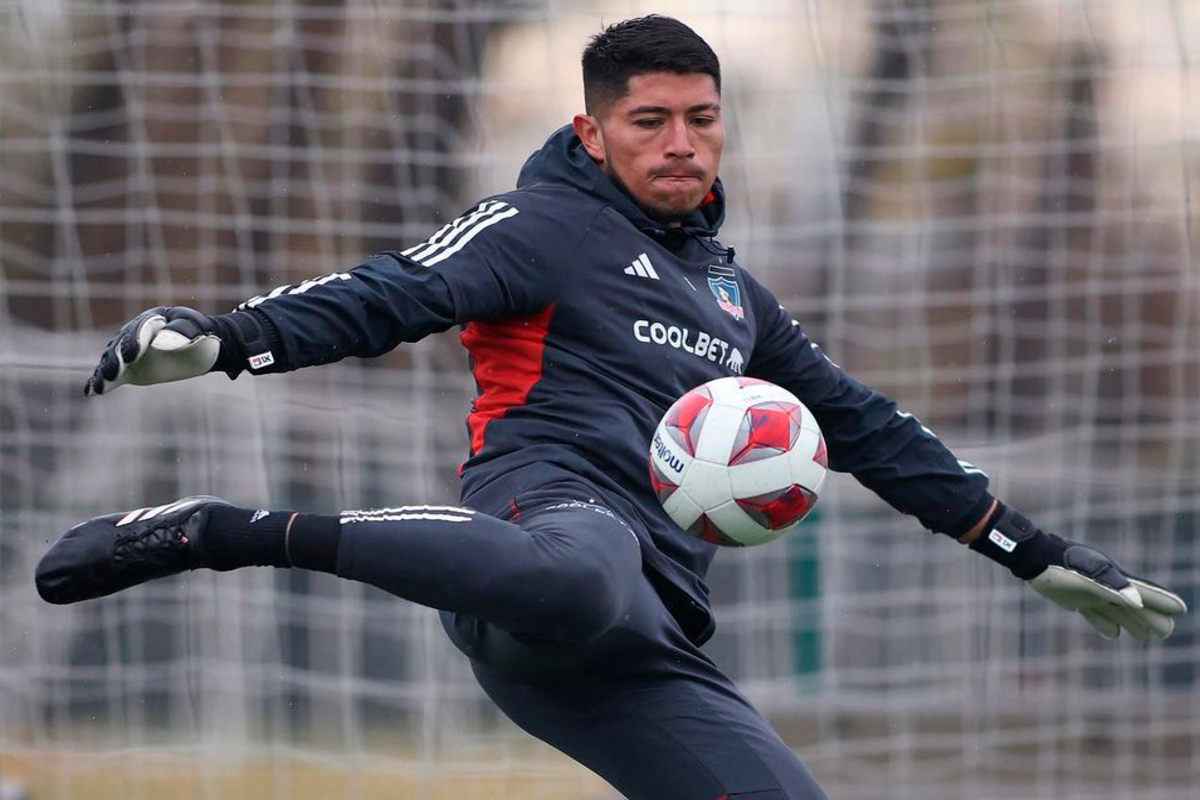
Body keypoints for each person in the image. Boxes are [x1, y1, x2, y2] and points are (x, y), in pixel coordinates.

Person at [36, 15, 1186, 800]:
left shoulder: (739, 299)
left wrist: (1034, 552)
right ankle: (223, 527)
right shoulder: (547, 224)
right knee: (579, 572)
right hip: (546, 528)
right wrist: (229, 338)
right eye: (651, 121)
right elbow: (399, 290)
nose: (682, 142)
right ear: (594, 130)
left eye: (702, 117)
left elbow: (870, 429)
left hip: (648, 629)